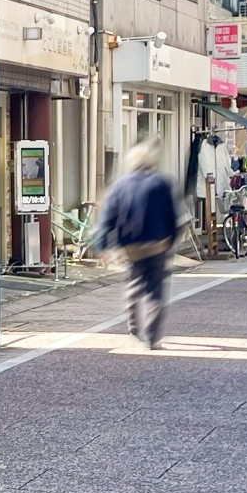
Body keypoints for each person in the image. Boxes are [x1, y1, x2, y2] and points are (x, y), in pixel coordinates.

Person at [92, 142, 179, 350]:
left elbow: (107, 218)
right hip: (157, 244)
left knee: (133, 283)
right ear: (151, 162)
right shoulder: (162, 183)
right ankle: (152, 337)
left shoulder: (120, 185)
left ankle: (133, 326)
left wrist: (102, 245)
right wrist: (172, 240)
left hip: (131, 246)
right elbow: (172, 216)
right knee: (155, 290)